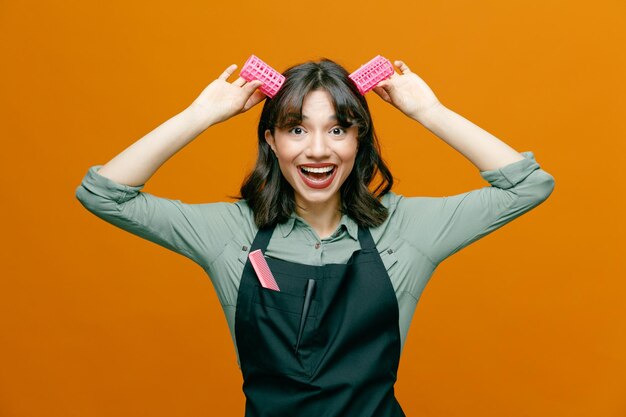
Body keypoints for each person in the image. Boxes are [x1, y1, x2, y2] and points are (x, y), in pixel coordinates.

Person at [75, 57, 555, 417]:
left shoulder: (406, 230)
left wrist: (430, 111)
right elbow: (104, 195)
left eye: (339, 129)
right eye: (297, 129)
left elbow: (529, 185)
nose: (319, 150)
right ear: (272, 141)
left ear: (359, 141)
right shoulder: (230, 233)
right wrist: (200, 115)